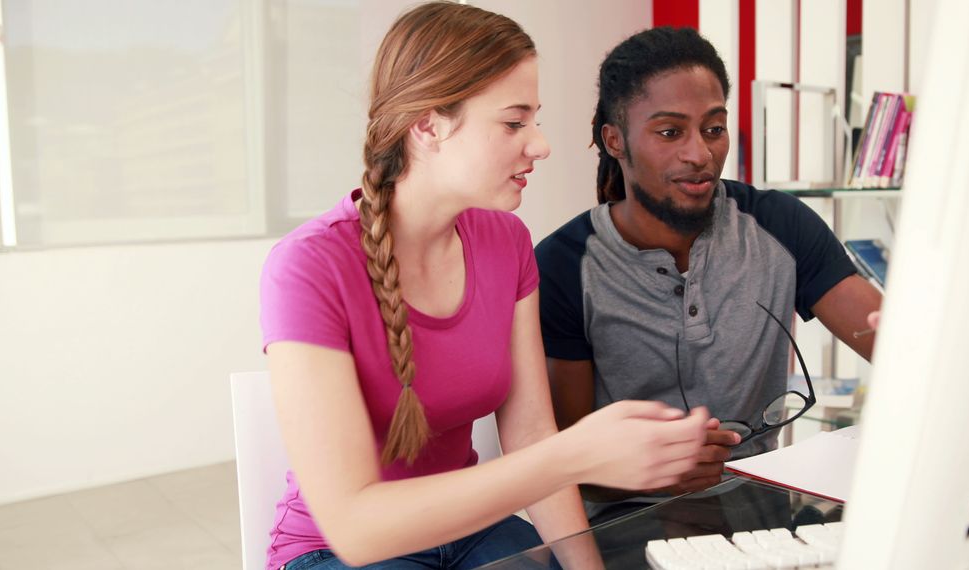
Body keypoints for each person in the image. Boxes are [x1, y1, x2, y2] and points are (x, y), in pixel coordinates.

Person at [258, 4, 711, 569]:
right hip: (336, 551)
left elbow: (529, 433)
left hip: (472, 533)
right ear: (428, 126)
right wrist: (574, 455)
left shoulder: (508, 242)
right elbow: (356, 529)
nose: (541, 144)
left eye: (535, 120)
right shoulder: (308, 267)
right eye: (514, 122)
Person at [535, 26, 883, 523]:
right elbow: (561, 461)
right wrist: (650, 471)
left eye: (714, 128)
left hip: (764, 514)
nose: (699, 154)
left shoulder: (781, 226)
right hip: (630, 526)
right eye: (670, 132)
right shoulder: (565, 265)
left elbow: (892, 342)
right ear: (615, 140)